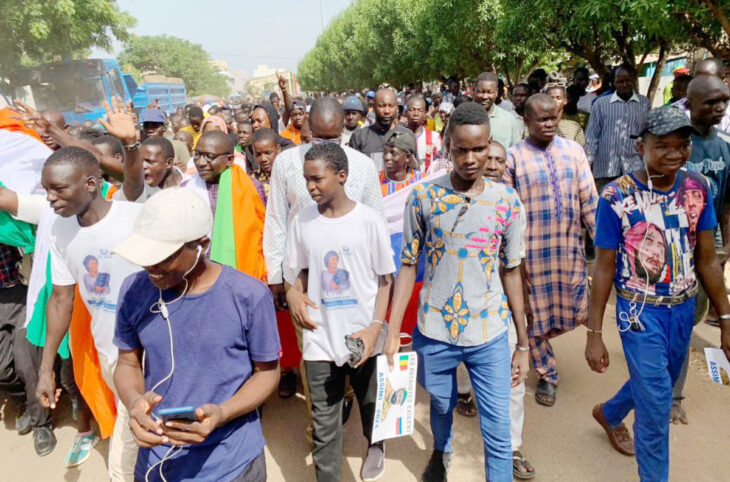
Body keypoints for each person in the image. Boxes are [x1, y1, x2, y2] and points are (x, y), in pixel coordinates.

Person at [384, 102, 530, 481]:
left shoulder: (507, 203)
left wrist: (524, 343)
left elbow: (512, 272)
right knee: (442, 404)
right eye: (461, 149)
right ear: (447, 145)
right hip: (435, 331)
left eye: (478, 149)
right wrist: (391, 330)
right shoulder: (423, 198)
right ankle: (440, 450)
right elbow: (407, 265)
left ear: (490, 145)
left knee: (497, 431)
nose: (469, 158)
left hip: (490, 333)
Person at [585, 106, 730, 482]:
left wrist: (726, 318)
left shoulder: (698, 188)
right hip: (638, 313)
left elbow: (708, 260)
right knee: (655, 407)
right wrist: (594, 333)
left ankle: (611, 413)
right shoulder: (616, 196)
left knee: (658, 380)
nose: (674, 154)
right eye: (662, 146)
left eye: (682, 146)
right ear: (640, 147)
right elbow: (603, 267)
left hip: (682, 310)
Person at [111, 187, 279, 482]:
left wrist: (223, 413)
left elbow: (267, 373)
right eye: (145, 256)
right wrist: (135, 402)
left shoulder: (249, 295)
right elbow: (127, 363)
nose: (151, 267)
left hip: (231, 463)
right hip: (157, 461)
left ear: (201, 245)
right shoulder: (133, 290)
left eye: (163, 257)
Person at [263, 96, 383, 426]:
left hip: (352, 276)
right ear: (304, 130)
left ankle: (345, 396)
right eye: (319, 138)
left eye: (333, 139)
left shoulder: (362, 165)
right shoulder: (286, 164)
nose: (327, 144)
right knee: (314, 348)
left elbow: (377, 219)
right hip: (303, 278)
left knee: (351, 345)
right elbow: (276, 219)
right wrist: (277, 276)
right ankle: (321, 425)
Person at [286, 143, 394, 482]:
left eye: (317, 179)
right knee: (324, 418)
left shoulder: (369, 221)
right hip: (319, 335)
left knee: (369, 402)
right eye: (306, 180)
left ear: (342, 176)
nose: (311, 187)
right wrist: (293, 294)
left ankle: (375, 443)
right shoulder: (302, 222)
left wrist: (376, 327)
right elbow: (300, 273)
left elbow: (385, 280)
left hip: (362, 335)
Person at [35, 145, 142, 480]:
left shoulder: (133, 218)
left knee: (130, 429)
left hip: (150, 348)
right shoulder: (60, 230)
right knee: (139, 423)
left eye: (59, 189)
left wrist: (132, 145)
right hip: (109, 350)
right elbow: (61, 300)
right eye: (47, 189)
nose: (51, 198)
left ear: (92, 183)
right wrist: (45, 368)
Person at [504, 94, 598, 407]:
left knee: (575, 308)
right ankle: (547, 372)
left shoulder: (574, 151)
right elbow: (507, 211)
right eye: (541, 119)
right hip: (531, 257)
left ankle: (540, 347)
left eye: (553, 118)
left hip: (568, 251)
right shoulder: (512, 158)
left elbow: (590, 201)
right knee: (535, 317)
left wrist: (604, 243)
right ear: (526, 121)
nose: (549, 124)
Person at [452, 140, 534, 479]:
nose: (493, 165)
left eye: (501, 160)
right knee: (459, 360)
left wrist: (523, 316)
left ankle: (511, 447)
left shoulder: (512, 205)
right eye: (490, 157)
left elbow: (517, 265)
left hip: (500, 308)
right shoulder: (452, 201)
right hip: (461, 307)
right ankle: (464, 393)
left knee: (513, 381)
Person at [667, 75, 730, 422]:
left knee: (689, 322)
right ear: (690, 104)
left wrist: (726, 247)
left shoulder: (724, 148)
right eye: (711, 102)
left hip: (709, 246)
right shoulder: (675, 144)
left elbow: (727, 203)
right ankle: (663, 390)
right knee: (672, 320)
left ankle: (673, 392)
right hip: (673, 245)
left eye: (724, 100)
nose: (719, 108)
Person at [183, 131, 267, 280]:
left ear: (229, 160)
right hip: (197, 276)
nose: (201, 162)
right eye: (197, 154)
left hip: (243, 273)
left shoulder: (251, 187)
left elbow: (263, 233)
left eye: (209, 156)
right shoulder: (184, 190)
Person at [585, 64, 650, 193]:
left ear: (634, 80)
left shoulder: (644, 103)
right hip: (606, 168)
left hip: (634, 167)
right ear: (613, 82)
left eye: (628, 81)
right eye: (620, 81)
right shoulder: (601, 104)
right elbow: (592, 135)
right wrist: (588, 163)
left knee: (631, 206)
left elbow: (647, 132)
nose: (624, 84)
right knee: (607, 204)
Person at [348, 88, 411, 171]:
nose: (387, 111)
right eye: (382, 106)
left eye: (391, 106)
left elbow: (413, 173)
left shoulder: (407, 136)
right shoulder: (359, 137)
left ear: (396, 108)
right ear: (374, 107)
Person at [674, 58, 730, 132]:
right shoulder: (676, 109)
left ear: (723, 79)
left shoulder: (727, 112)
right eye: (697, 78)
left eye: (707, 79)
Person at [473, 72, 523, 149]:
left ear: (496, 93)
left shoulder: (508, 119)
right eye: (481, 92)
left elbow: (517, 152)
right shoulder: (460, 116)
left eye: (490, 92)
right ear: (474, 91)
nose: (485, 96)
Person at [404, 95, 442, 172]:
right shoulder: (398, 136)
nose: (416, 113)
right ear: (406, 112)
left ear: (424, 113)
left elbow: (439, 162)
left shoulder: (434, 137)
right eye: (412, 110)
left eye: (420, 110)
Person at [380, 130, 423, 195]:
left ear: (408, 157)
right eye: (385, 152)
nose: (387, 157)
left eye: (394, 154)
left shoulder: (420, 181)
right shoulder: (375, 180)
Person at [250, 127, 281, 200]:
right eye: (258, 154)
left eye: (268, 153)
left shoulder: (289, 174)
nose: (263, 159)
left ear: (278, 149)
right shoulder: (251, 180)